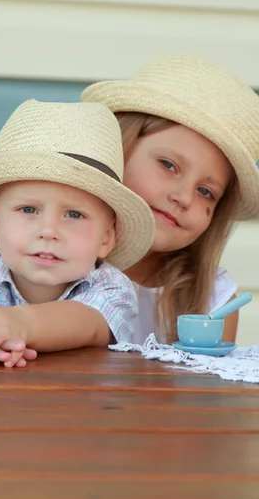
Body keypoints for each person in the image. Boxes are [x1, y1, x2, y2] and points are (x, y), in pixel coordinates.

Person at [0, 99, 155, 367]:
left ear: (105, 239)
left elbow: (88, 324)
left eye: (74, 215)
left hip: (82, 404)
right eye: (28, 210)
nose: (49, 231)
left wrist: (19, 324)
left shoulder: (110, 286)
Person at [81, 54, 259, 345]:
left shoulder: (213, 301)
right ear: (119, 148)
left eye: (206, 192)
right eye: (168, 165)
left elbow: (204, 391)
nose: (183, 197)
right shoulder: (47, 259)